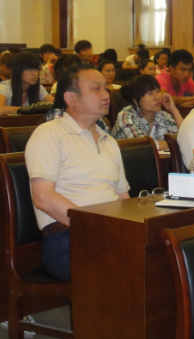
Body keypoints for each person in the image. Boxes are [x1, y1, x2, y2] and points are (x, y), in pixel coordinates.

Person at [26, 64, 129, 282]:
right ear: (71, 98)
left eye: (105, 88)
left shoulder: (109, 141)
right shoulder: (49, 134)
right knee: (127, 266)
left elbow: (122, 197)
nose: (106, 95)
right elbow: (43, 197)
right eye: (96, 89)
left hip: (108, 230)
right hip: (67, 236)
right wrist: (95, 226)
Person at [112, 74, 182, 149]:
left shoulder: (163, 115)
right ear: (135, 101)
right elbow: (143, 145)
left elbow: (185, 136)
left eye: (158, 91)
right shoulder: (126, 116)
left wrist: (174, 110)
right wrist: (174, 143)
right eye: (150, 93)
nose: (157, 97)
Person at [0, 52, 53, 117]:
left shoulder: (38, 88)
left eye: (36, 69)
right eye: (30, 69)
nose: (34, 73)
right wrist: (28, 109)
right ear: (18, 71)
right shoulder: (5, 87)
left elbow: (55, 104)